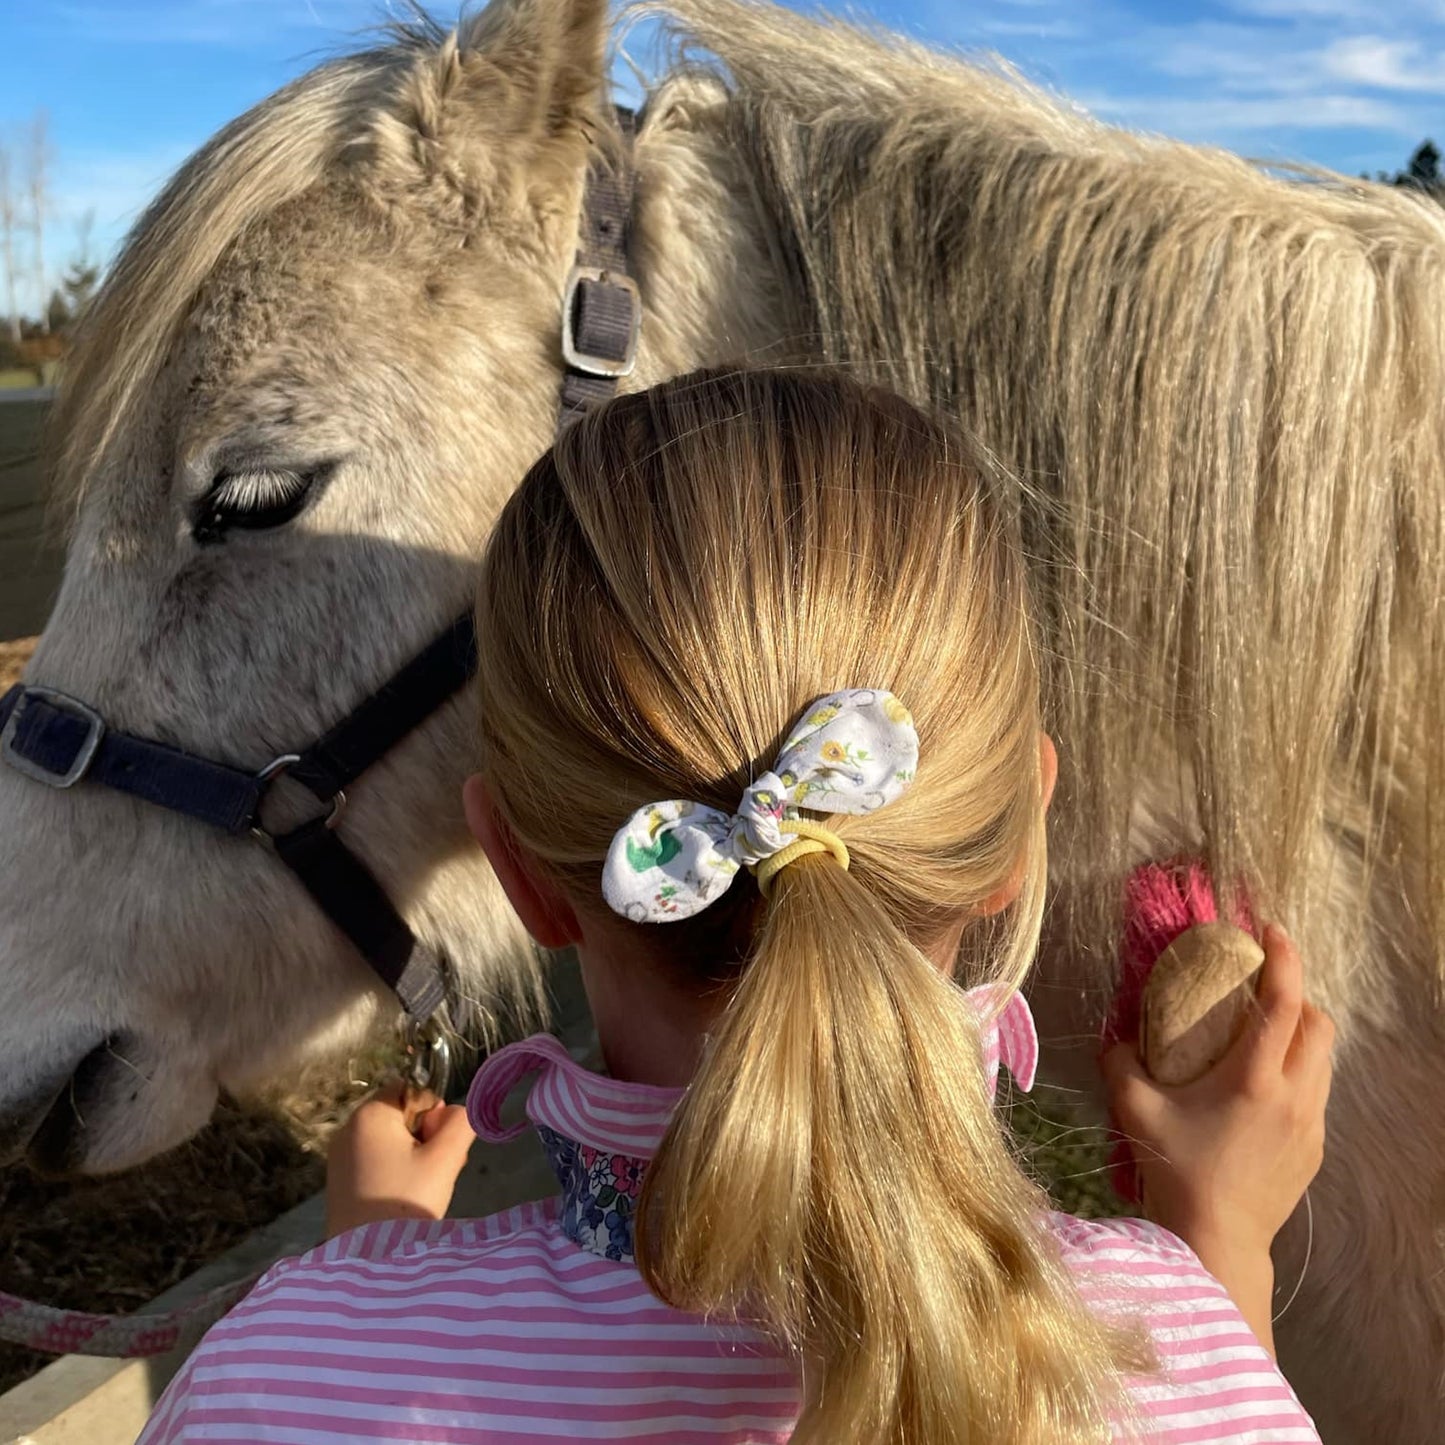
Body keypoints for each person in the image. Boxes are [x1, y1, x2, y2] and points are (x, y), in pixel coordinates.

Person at [139, 369, 1331, 1444]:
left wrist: (372, 1274)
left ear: (514, 863)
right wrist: (1216, 1239)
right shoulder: (1174, 1350)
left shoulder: (278, 1371)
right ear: (1017, 825)